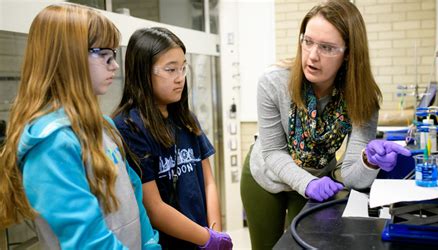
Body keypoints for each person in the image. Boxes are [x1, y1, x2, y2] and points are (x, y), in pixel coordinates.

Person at [240, 0, 411, 249]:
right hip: (265, 177)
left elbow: (353, 177)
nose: (312, 56)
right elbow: (274, 152)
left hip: (319, 179)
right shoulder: (274, 82)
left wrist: (368, 161)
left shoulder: (363, 98)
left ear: (349, 52)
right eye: (307, 41)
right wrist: (307, 183)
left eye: (327, 47)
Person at [0, 3, 161, 249]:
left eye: (114, 56)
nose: (115, 66)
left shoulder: (104, 127)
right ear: (68, 57)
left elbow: (134, 197)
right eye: (105, 55)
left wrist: (150, 244)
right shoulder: (52, 143)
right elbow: (88, 241)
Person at [112, 27, 232, 250]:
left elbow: (209, 182)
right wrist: (206, 238)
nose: (180, 78)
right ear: (143, 72)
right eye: (170, 70)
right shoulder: (129, 127)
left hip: (202, 238)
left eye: (183, 68)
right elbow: (154, 208)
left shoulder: (185, 118)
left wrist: (214, 232)